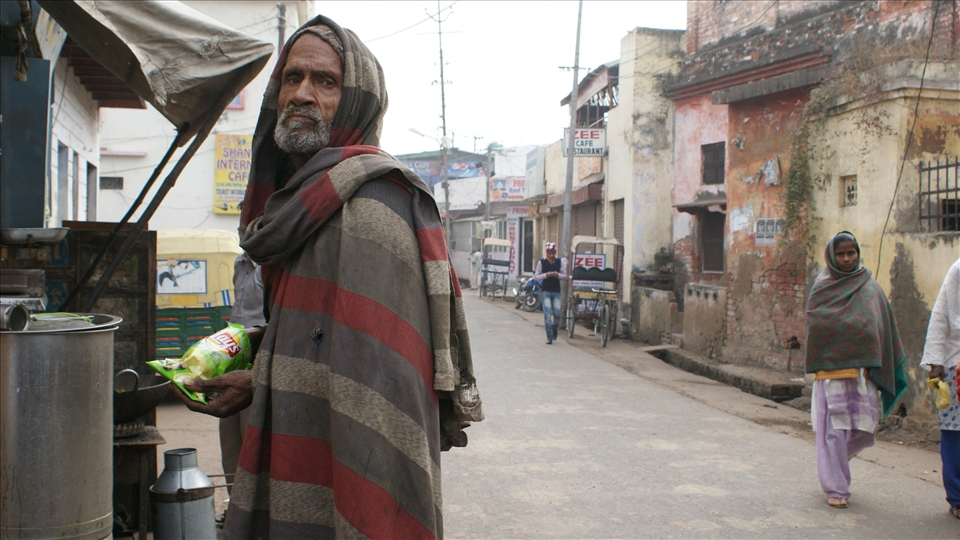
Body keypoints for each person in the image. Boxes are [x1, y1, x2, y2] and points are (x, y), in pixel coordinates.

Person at [175, 16, 483, 539]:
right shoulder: (291, 206)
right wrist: (251, 351)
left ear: (357, 101)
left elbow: (374, 378)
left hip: (357, 459)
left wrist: (263, 378)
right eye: (292, 79)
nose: (301, 94)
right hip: (299, 438)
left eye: (325, 82)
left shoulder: (375, 206)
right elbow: (312, 330)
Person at [805, 231, 907, 509]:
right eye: (841, 253)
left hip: (864, 375)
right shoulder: (822, 287)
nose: (847, 258)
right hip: (832, 375)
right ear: (831, 256)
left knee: (865, 430)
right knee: (834, 431)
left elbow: (883, 326)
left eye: (851, 252)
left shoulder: (870, 287)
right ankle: (836, 487)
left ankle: (832, 462)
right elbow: (817, 324)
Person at [216, 251, 265, 524]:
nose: (241, 226)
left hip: (261, 357)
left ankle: (255, 512)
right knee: (230, 438)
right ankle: (235, 506)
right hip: (234, 357)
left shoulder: (273, 262)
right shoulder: (240, 262)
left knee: (252, 439)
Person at [920, 258, 960, 519]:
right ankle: (957, 498)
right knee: (955, 432)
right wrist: (935, 362)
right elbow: (940, 316)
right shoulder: (958, 270)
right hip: (955, 365)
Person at [534, 242, 567, 344]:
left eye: (553, 253)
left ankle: (554, 329)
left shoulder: (559, 262)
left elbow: (565, 276)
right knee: (547, 315)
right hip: (546, 292)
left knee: (557, 314)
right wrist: (546, 275)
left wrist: (557, 275)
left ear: (555, 252)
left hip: (556, 292)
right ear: (547, 253)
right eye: (549, 253)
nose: (551, 255)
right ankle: (549, 337)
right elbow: (536, 276)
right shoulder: (542, 262)